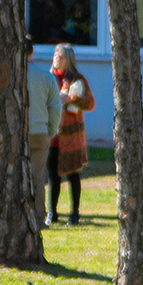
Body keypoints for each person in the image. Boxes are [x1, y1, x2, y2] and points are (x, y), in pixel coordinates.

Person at [50, 43, 95, 226]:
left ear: (68, 59)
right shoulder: (50, 78)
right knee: (53, 176)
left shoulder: (78, 79)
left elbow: (90, 103)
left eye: (60, 57)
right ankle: (52, 213)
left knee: (73, 175)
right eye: (55, 56)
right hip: (53, 134)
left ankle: (75, 214)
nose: (56, 59)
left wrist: (72, 99)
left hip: (72, 136)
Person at [26, 50, 60, 227]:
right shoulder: (45, 76)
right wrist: (51, 131)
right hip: (40, 131)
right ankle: (39, 218)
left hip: (16, 133)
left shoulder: (11, 73)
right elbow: (56, 106)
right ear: (32, 52)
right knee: (38, 176)